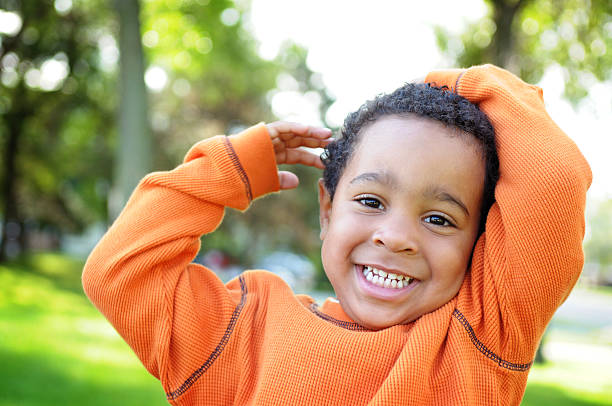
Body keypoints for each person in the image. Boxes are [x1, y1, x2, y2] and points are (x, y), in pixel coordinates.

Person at [82, 65, 591, 405]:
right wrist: (228, 168)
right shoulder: (245, 327)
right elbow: (120, 270)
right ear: (327, 210)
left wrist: (463, 86)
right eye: (370, 202)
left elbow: (555, 180)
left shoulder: (480, 340)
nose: (395, 237)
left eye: (439, 219)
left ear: (479, 245)